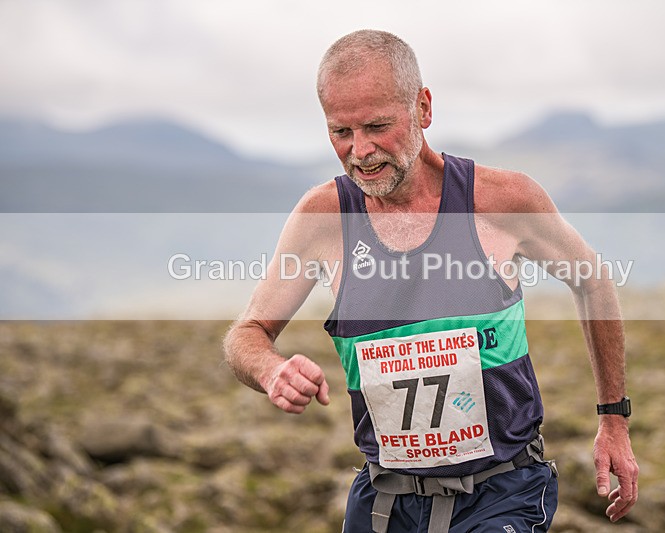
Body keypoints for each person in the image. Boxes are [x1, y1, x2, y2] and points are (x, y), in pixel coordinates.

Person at [224, 29, 638, 532]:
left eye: (378, 126)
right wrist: (270, 371)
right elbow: (247, 333)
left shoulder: (501, 201)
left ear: (422, 108)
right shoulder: (323, 218)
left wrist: (613, 419)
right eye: (341, 132)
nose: (361, 151)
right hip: (385, 501)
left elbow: (592, 281)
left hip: (502, 493)